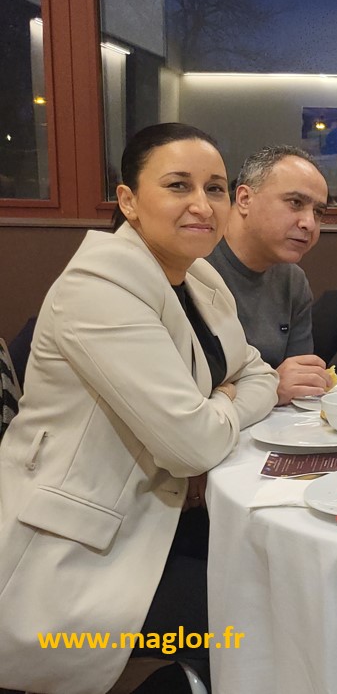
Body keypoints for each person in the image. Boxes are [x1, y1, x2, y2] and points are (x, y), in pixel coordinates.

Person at [0, 123, 278, 693]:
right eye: (178, 185)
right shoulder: (98, 287)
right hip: (78, 558)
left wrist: (218, 405)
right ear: (128, 200)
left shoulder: (198, 278)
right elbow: (193, 445)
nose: (202, 204)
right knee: (259, 622)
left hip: (165, 521)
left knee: (283, 576)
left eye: (216, 188)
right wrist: (223, 400)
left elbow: (260, 373)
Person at [206, 145, 333, 406]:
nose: (309, 223)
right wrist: (270, 386)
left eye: (318, 212)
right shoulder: (192, 269)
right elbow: (182, 396)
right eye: (295, 203)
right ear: (244, 199)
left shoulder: (292, 280)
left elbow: (299, 383)